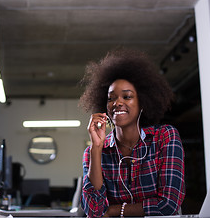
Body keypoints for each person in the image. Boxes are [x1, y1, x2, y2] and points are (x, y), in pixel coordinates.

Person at [78, 48, 185, 217]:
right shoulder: (92, 153)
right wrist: (96, 148)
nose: (117, 103)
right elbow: (94, 211)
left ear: (143, 102)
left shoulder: (165, 137)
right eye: (111, 98)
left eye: (126, 97)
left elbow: (169, 204)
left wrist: (114, 211)